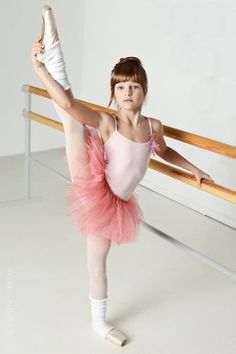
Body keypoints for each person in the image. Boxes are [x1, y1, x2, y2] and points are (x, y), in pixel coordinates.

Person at [31, 5, 214, 346]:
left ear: (144, 90)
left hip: (120, 199)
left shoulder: (152, 126)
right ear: (112, 93)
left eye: (133, 87)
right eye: (121, 88)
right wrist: (38, 70)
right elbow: (70, 106)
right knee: (71, 121)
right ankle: (99, 322)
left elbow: (163, 151)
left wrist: (194, 169)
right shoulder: (107, 121)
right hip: (94, 184)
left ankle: (54, 51)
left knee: (71, 119)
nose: (127, 93)